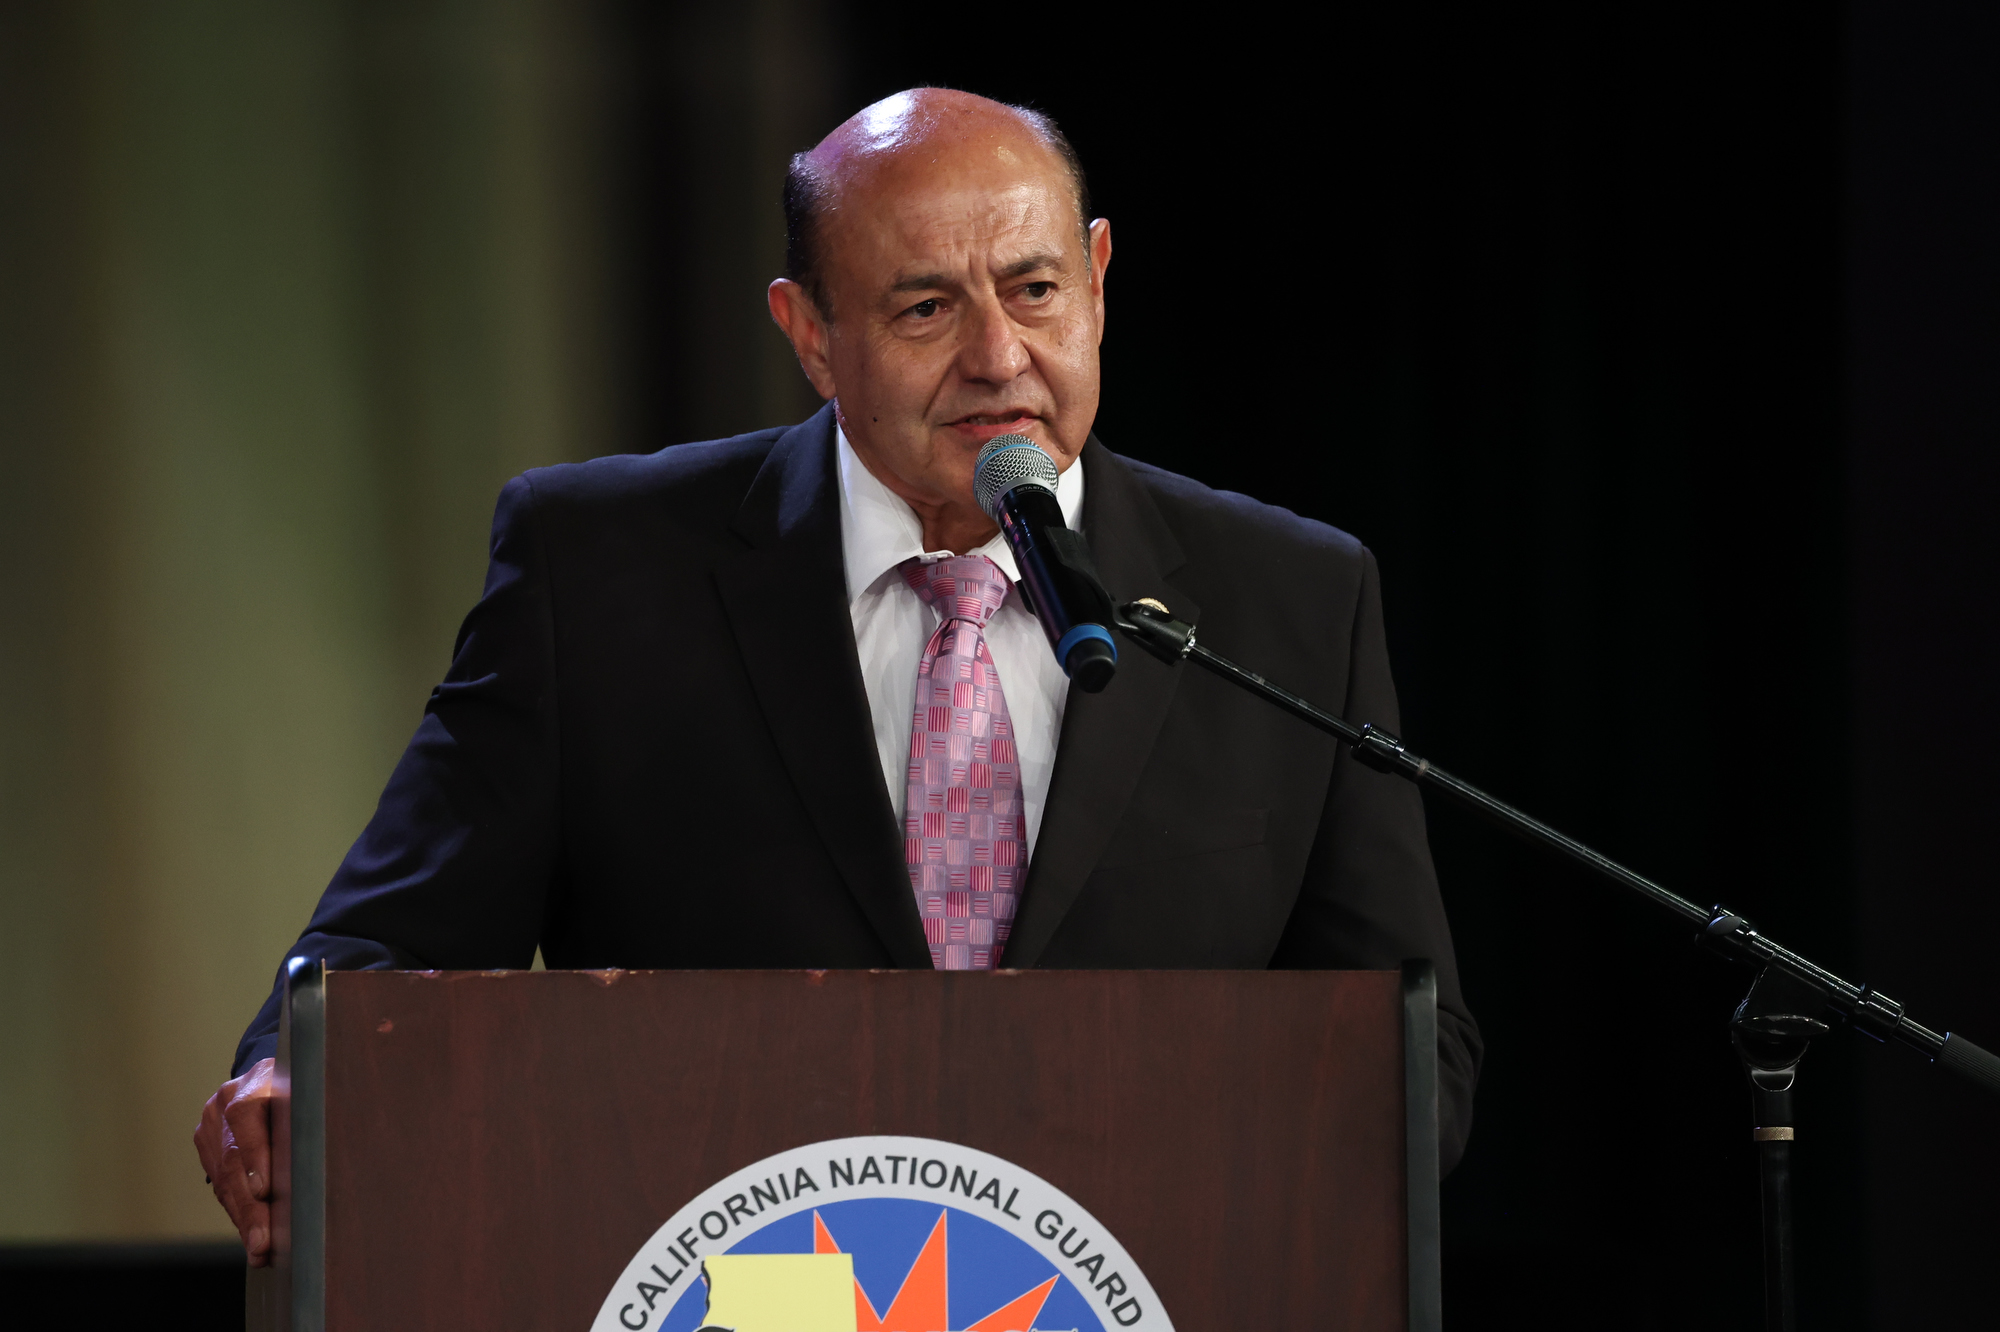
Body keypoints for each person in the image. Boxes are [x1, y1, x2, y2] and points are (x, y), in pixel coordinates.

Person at [194, 87, 1482, 1264]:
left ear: (1096, 279)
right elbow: (379, 948)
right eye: (925, 308)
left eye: (1033, 289)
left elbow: (1407, 1052)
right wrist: (294, 1075)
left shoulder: (1290, 598)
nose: (996, 356)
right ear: (809, 335)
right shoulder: (603, 574)